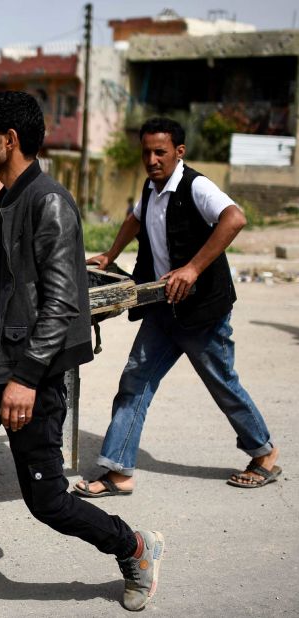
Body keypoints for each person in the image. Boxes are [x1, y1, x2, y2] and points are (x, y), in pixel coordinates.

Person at [0, 92, 164, 618]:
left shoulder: (49, 203)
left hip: (30, 373)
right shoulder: (7, 200)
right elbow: (21, 280)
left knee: (47, 501)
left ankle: (135, 548)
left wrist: (25, 378)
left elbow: (64, 301)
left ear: (8, 140)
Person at [74, 117, 280, 497]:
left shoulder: (196, 185)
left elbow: (235, 218)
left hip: (202, 312)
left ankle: (263, 453)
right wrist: (111, 255)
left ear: (179, 152)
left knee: (221, 382)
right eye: (147, 152)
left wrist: (193, 268)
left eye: (160, 152)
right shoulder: (151, 188)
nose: (152, 160)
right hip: (162, 309)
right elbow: (134, 218)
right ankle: (119, 471)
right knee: (134, 382)